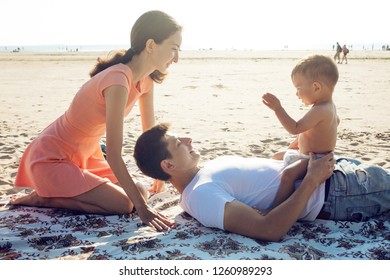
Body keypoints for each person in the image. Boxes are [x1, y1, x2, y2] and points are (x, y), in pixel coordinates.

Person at [11, 10, 182, 231]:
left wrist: (156, 171)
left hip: (86, 156)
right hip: (52, 158)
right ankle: (43, 198)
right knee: (125, 204)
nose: (176, 58)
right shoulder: (117, 80)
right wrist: (142, 209)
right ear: (151, 45)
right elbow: (112, 153)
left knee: (141, 192)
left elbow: (149, 134)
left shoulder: (145, 81)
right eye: (173, 49)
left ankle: (57, 191)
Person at [133, 123, 390, 242]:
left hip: (326, 169)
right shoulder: (201, 195)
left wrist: (287, 154)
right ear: (168, 166)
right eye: (179, 143)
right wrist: (312, 179)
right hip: (336, 192)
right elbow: (269, 230)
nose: (189, 139)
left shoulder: (204, 173)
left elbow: (257, 180)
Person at [262, 55, 340, 209]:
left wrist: (278, 109)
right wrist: (297, 145)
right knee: (277, 156)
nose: (296, 94)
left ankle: (273, 208)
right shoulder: (328, 106)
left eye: (298, 89)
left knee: (288, 175)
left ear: (316, 87)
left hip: (315, 160)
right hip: (306, 154)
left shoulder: (320, 110)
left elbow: (295, 128)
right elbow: (334, 122)